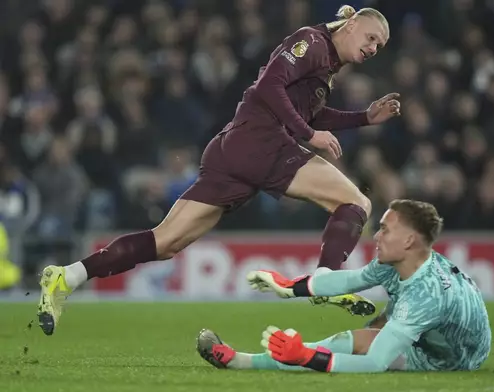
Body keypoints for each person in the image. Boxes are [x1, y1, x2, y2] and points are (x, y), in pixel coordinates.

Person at [37, 5, 400, 336]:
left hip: (234, 149)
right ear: (351, 25)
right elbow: (269, 86)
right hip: (261, 141)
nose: (373, 48)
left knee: (164, 242)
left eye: (379, 47)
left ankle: (66, 277)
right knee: (355, 202)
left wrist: (364, 118)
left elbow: (309, 112)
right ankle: (325, 281)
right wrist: (308, 135)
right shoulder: (312, 42)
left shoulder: (326, 64)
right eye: (371, 38)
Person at [196, 199, 492, 373]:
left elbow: (376, 363)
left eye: (385, 230)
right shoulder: (401, 261)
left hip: (454, 358)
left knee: (363, 343)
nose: (376, 236)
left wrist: (307, 357)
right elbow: (350, 280)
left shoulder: (425, 296)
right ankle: (259, 358)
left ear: (409, 240)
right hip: (437, 326)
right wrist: (291, 286)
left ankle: (240, 361)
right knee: (372, 329)